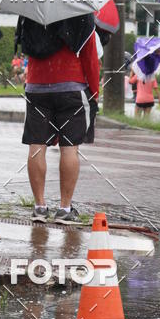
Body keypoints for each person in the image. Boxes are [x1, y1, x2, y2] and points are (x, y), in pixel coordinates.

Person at [23, 27, 99, 224]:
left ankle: (40, 207)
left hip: (36, 86)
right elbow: (90, 58)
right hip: (71, 86)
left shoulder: (32, 12)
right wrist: (94, 93)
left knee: (36, 145)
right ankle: (64, 209)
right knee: (69, 148)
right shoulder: (80, 13)